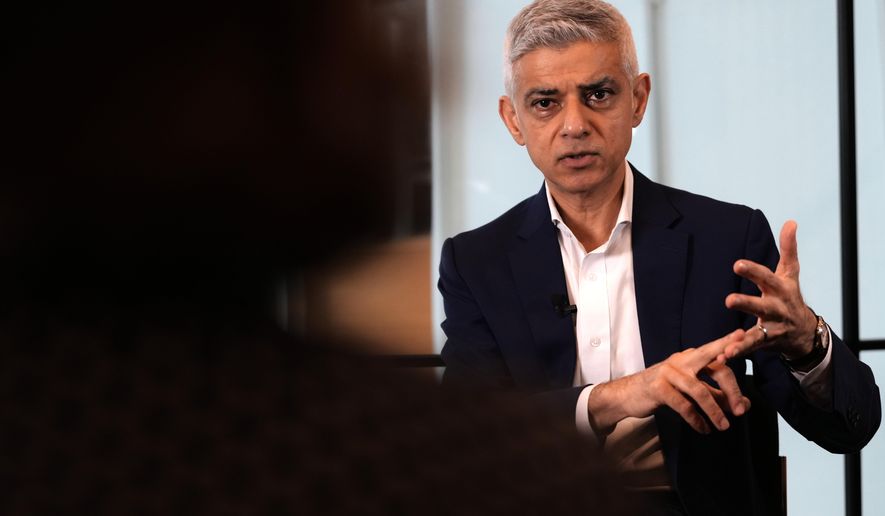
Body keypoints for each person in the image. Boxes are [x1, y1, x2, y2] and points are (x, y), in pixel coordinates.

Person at [437, 1, 881, 514]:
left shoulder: (729, 240)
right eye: (545, 103)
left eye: (598, 94)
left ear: (638, 100)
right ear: (513, 120)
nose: (574, 124)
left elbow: (851, 429)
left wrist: (808, 345)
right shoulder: (476, 261)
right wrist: (619, 396)